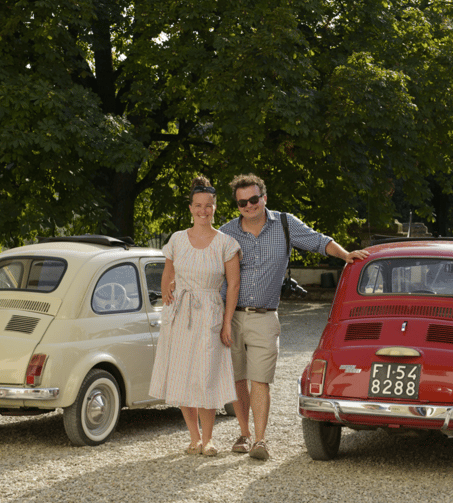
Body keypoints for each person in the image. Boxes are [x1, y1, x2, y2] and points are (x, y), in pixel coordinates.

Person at [219, 173, 369, 460]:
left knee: (259, 379)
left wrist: (345, 254)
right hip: (230, 315)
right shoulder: (227, 232)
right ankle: (243, 433)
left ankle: (260, 441)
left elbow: (318, 241)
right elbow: (207, 265)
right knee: (237, 379)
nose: (248, 206)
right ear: (236, 205)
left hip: (265, 316)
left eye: (253, 199)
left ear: (264, 197)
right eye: (242, 202)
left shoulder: (285, 224)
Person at [149, 175, 241, 456]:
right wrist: (168, 292)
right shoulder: (177, 239)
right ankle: (193, 437)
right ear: (190, 208)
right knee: (181, 376)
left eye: (208, 205)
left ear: (215, 207)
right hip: (180, 313)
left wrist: (226, 324)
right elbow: (168, 272)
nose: (203, 210)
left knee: (206, 376)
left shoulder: (226, 242)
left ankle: (210, 438)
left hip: (210, 312)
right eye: (198, 205)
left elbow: (233, 284)